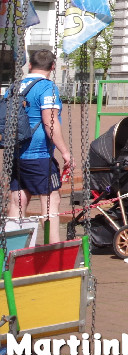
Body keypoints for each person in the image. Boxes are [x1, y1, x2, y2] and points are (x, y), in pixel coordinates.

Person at [4, 49, 71, 241]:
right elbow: (50, 122)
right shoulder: (47, 87)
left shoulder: (14, 87)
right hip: (40, 155)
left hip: (17, 153)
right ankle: (52, 248)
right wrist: (65, 152)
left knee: (17, 201)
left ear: (30, 65)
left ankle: (12, 251)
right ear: (52, 67)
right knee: (51, 202)